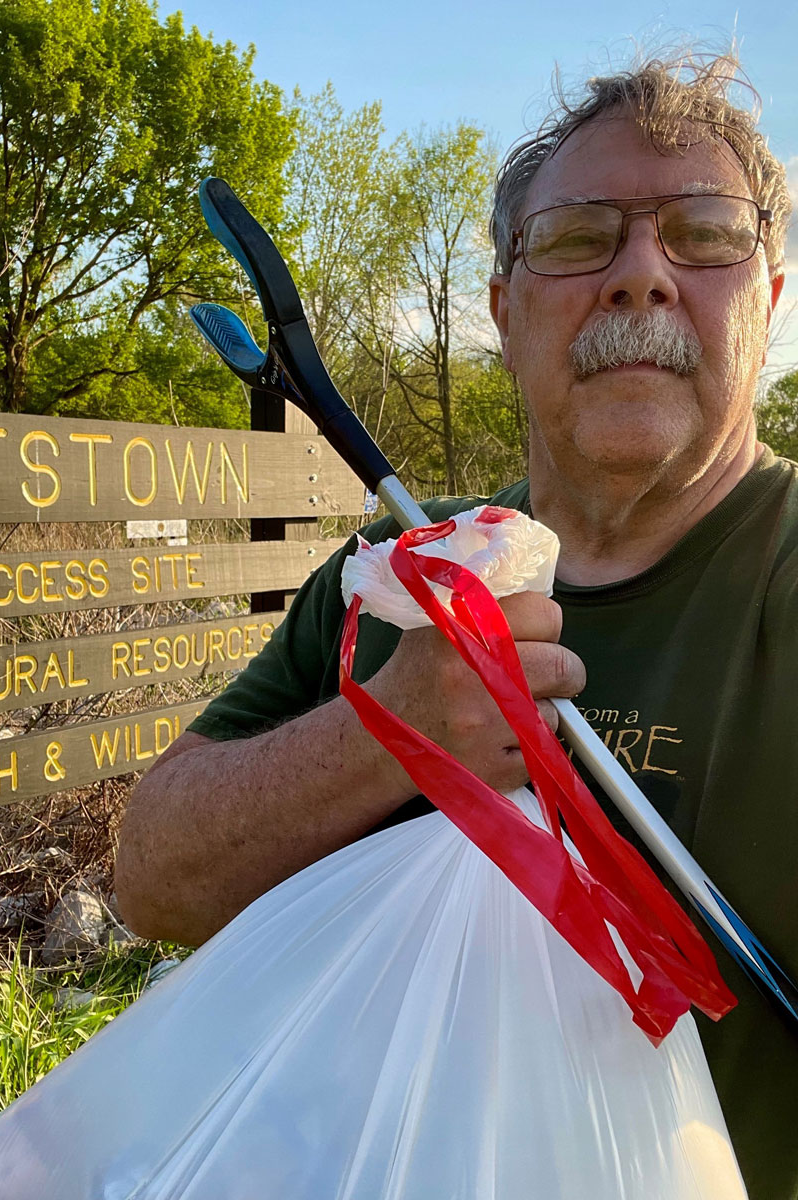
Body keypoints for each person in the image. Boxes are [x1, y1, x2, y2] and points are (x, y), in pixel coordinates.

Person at [115, 52, 798, 1200]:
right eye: (578, 238)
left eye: (704, 233)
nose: (641, 275)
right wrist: (390, 729)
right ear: (503, 311)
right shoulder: (394, 578)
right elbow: (153, 880)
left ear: (770, 301)